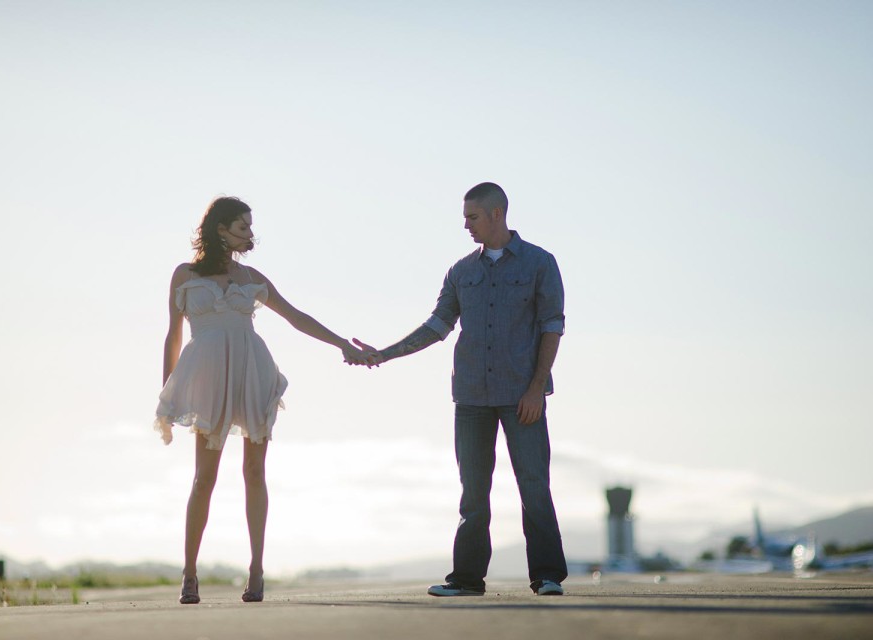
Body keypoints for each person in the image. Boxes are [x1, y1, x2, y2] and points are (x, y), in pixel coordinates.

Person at [354, 182, 568, 596]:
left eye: (472, 217)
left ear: (496, 214)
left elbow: (552, 326)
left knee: (534, 486)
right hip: (470, 397)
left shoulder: (541, 263)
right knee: (473, 493)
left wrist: (536, 389)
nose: (466, 225)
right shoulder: (461, 271)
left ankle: (546, 576)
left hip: (522, 395)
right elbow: (437, 325)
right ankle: (467, 580)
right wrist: (384, 354)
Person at [155, 196, 371, 605]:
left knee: (255, 472)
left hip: (252, 370)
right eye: (242, 227)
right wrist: (168, 391)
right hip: (207, 377)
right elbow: (173, 334)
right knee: (205, 477)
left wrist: (342, 343)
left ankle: (256, 570)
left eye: (250, 227)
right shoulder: (184, 275)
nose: (250, 235)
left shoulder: (252, 276)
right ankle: (189, 573)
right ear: (220, 228)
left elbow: (296, 316)